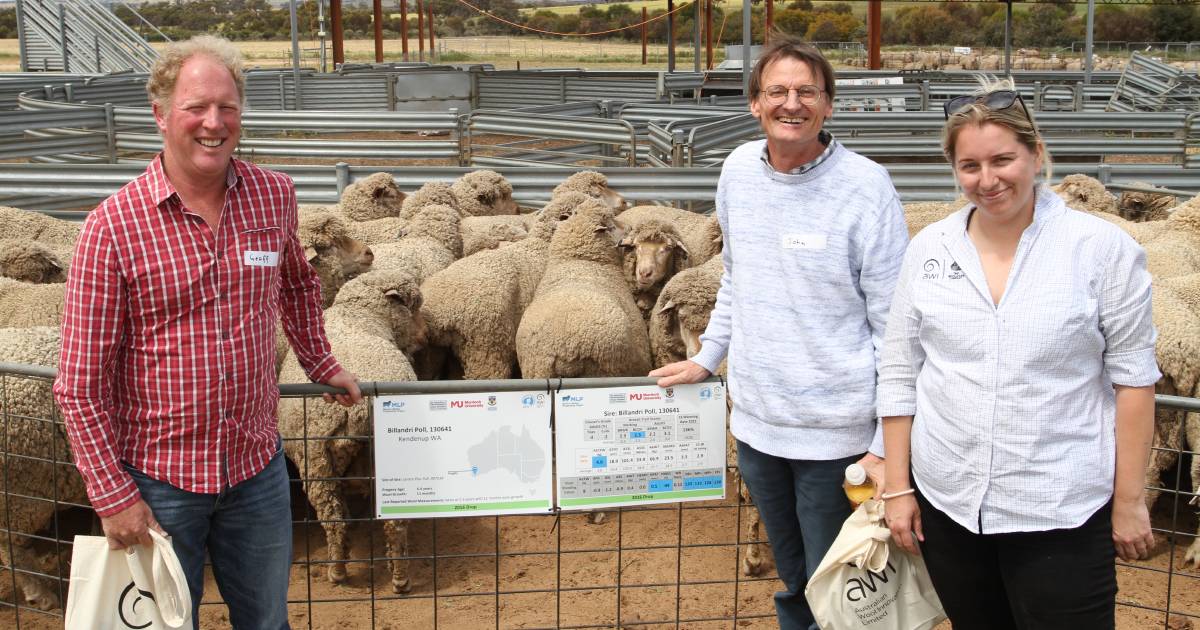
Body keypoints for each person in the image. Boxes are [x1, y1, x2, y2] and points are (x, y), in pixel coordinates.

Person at [53, 35, 361, 628]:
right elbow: (79, 384)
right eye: (196, 107)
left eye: (228, 108)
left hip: (256, 471)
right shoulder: (110, 229)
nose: (213, 123)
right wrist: (112, 494)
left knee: (267, 621)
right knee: (166, 625)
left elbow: (297, 283)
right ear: (161, 114)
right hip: (159, 481)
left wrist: (319, 361)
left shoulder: (274, 197)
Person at [877, 78, 1159, 629]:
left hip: (1060, 508)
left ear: (1036, 154)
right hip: (950, 503)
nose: (988, 180)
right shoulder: (929, 249)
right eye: (969, 166)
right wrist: (897, 487)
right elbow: (899, 371)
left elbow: (1134, 382)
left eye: (1003, 159)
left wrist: (1128, 500)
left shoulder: (1102, 251)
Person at [651, 35, 908, 630]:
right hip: (760, 423)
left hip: (837, 438)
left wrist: (883, 443)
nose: (792, 104)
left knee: (842, 583)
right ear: (754, 103)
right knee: (794, 577)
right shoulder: (738, 171)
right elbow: (738, 277)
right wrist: (707, 356)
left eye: (806, 92)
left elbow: (894, 325)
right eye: (778, 92)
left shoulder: (867, 187)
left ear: (828, 104)